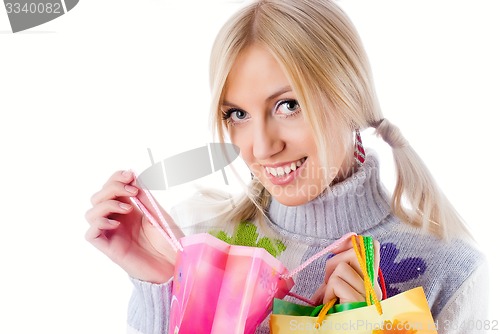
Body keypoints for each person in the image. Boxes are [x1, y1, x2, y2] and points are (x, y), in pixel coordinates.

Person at [85, 0, 488, 333]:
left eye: (288, 106)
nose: (261, 146)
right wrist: (168, 286)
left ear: (349, 96)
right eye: (237, 114)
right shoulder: (197, 236)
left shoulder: (450, 270)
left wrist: (375, 326)